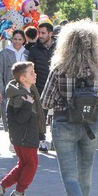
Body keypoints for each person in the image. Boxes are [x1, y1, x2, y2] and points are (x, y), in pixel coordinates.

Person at [40, 21, 98, 196]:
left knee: (69, 175)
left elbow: (46, 101)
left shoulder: (60, 68)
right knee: (85, 174)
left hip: (64, 124)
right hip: (90, 125)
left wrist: (65, 100)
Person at [0, 61, 45, 196]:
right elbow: (21, 118)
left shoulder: (26, 91)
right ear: (22, 78)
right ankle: (19, 192)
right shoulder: (21, 96)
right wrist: (27, 104)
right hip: (25, 136)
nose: (35, 74)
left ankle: (1, 187)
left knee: (24, 164)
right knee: (32, 165)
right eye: (31, 73)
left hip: (23, 135)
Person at [28, 20, 57, 152]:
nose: (40, 35)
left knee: (59, 114)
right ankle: (41, 139)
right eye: (39, 33)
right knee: (41, 114)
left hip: (57, 86)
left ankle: (57, 140)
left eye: (44, 33)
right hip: (40, 86)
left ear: (51, 33)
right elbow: (30, 68)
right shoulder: (34, 50)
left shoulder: (59, 47)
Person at [0, 30, 28, 133]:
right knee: (9, 113)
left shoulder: (27, 53)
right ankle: (12, 138)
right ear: (11, 39)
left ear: (24, 40)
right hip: (8, 88)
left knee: (23, 113)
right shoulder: (4, 53)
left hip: (24, 89)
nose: (17, 42)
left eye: (20, 39)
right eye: (15, 39)